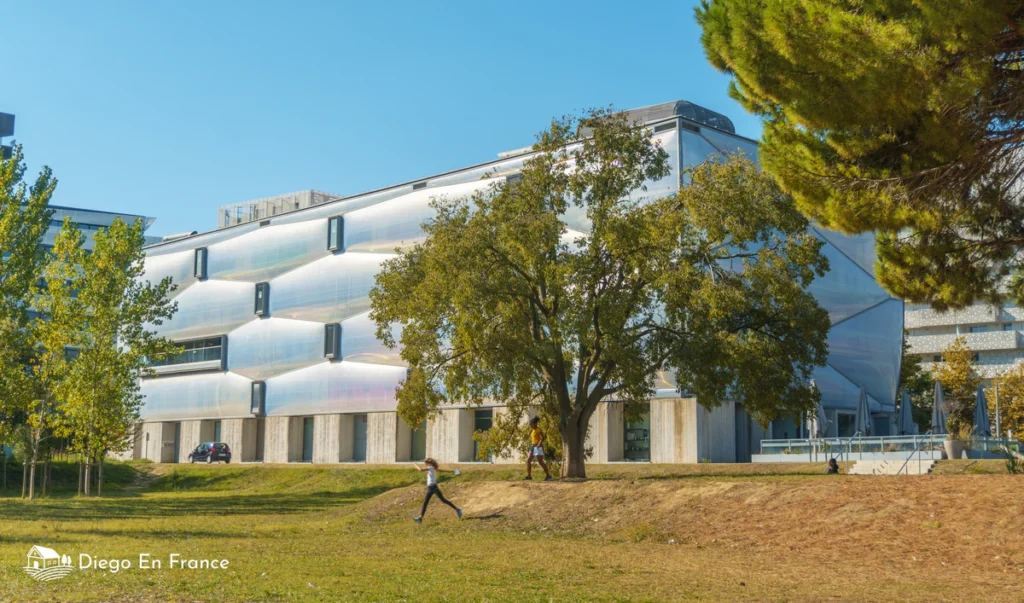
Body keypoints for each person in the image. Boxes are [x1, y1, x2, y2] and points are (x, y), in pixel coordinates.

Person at [412, 458, 462, 523]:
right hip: (430, 488)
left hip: (433, 487)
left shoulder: (430, 467)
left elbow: (420, 469)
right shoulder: (433, 468)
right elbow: (441, 470)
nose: (425, 465)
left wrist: (415, 464)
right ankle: (420, 518)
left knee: (443, 500)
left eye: (426, 464)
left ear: (429, 463)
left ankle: (458, 509)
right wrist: (452, 471)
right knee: (426, 502)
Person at [525, 416, 552, 481]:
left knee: (540, 462)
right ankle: (529, 476)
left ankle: (548, 476)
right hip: (533, 446)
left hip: (538, 447)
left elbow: (542, 438)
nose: (530, 425)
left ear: (534, 424)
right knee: (528, 461)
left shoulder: (538, 429)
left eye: (531, 424)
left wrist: (539, 444)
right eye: (530, 424)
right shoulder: (533, 430)